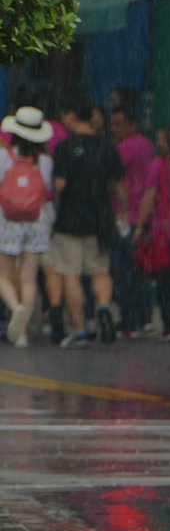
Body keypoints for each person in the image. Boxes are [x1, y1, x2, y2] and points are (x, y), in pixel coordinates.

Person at [50, 90, 125, 348]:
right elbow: (117, 185)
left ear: (70, 116)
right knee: (100, 269)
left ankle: (80, 329)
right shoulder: (107, 146)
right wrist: (124, 210)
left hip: (71, 218)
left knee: (70, 273)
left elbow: (59, 185)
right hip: (101, 216)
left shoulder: (64, 147)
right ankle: (103, 305)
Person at [132, 121, 170, 341]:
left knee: (165, 279)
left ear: (167, 141)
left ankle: (169, 326)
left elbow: (149, 196)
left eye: (160, 138)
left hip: (166, 231)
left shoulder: (159, 165)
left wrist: (140, 225)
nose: (158, 142)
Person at [0, 106, 56, 348]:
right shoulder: (45, 160)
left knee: (2, 274)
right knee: (29, 279)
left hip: (8, 218)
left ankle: (16, 307)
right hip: (36, 219)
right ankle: (22, 334)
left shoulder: (3, 155)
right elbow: (47, 190)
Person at [110, 104, 156, 335]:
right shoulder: (147, 146)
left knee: (125, 270)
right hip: (144, 215)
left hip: (126, 215)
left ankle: (129, 318)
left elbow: (113, 180)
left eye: (119, 124)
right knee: (140, 271)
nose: (114, 129)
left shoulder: (124, 148)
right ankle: (145, 317)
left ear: (131, 125)